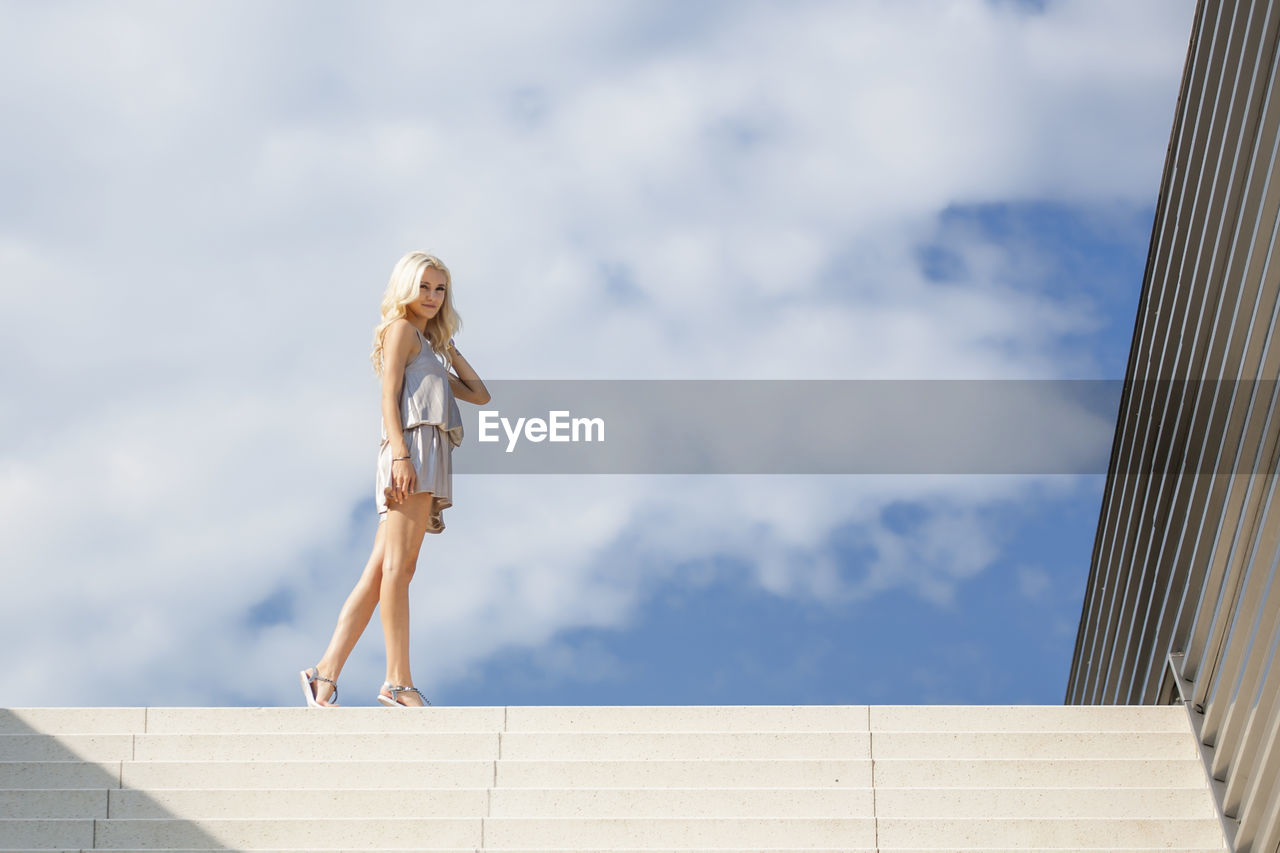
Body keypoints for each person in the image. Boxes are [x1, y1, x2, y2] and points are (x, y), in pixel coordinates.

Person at [299, 251, 489, 707]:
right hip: (410, 452)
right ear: (406, 288)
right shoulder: (400, 332)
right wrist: (402, 456)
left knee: (380, 572)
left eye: (440, 289)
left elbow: (480, 394)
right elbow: (387, 399)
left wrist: (447, 345)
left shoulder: (426, 349)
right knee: (399, 570)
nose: (431, 296)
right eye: (423, 287)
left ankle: (323, 674)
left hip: (425, 453)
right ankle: (397, 681)